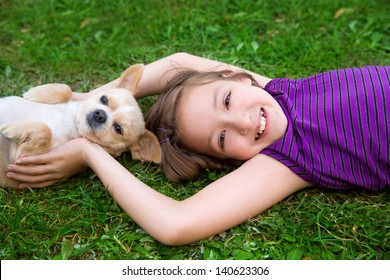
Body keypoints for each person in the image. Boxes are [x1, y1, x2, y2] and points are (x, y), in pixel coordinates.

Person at [5, 52, 389, 246]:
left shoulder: (277, 90)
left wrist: (88, 102)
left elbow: (179, 62)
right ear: (231, 160)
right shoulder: (286, 159)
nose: (242, 122)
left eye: (226, 100)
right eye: (222, 139)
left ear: (238, 78)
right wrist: (91, 152)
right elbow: (176, 224)